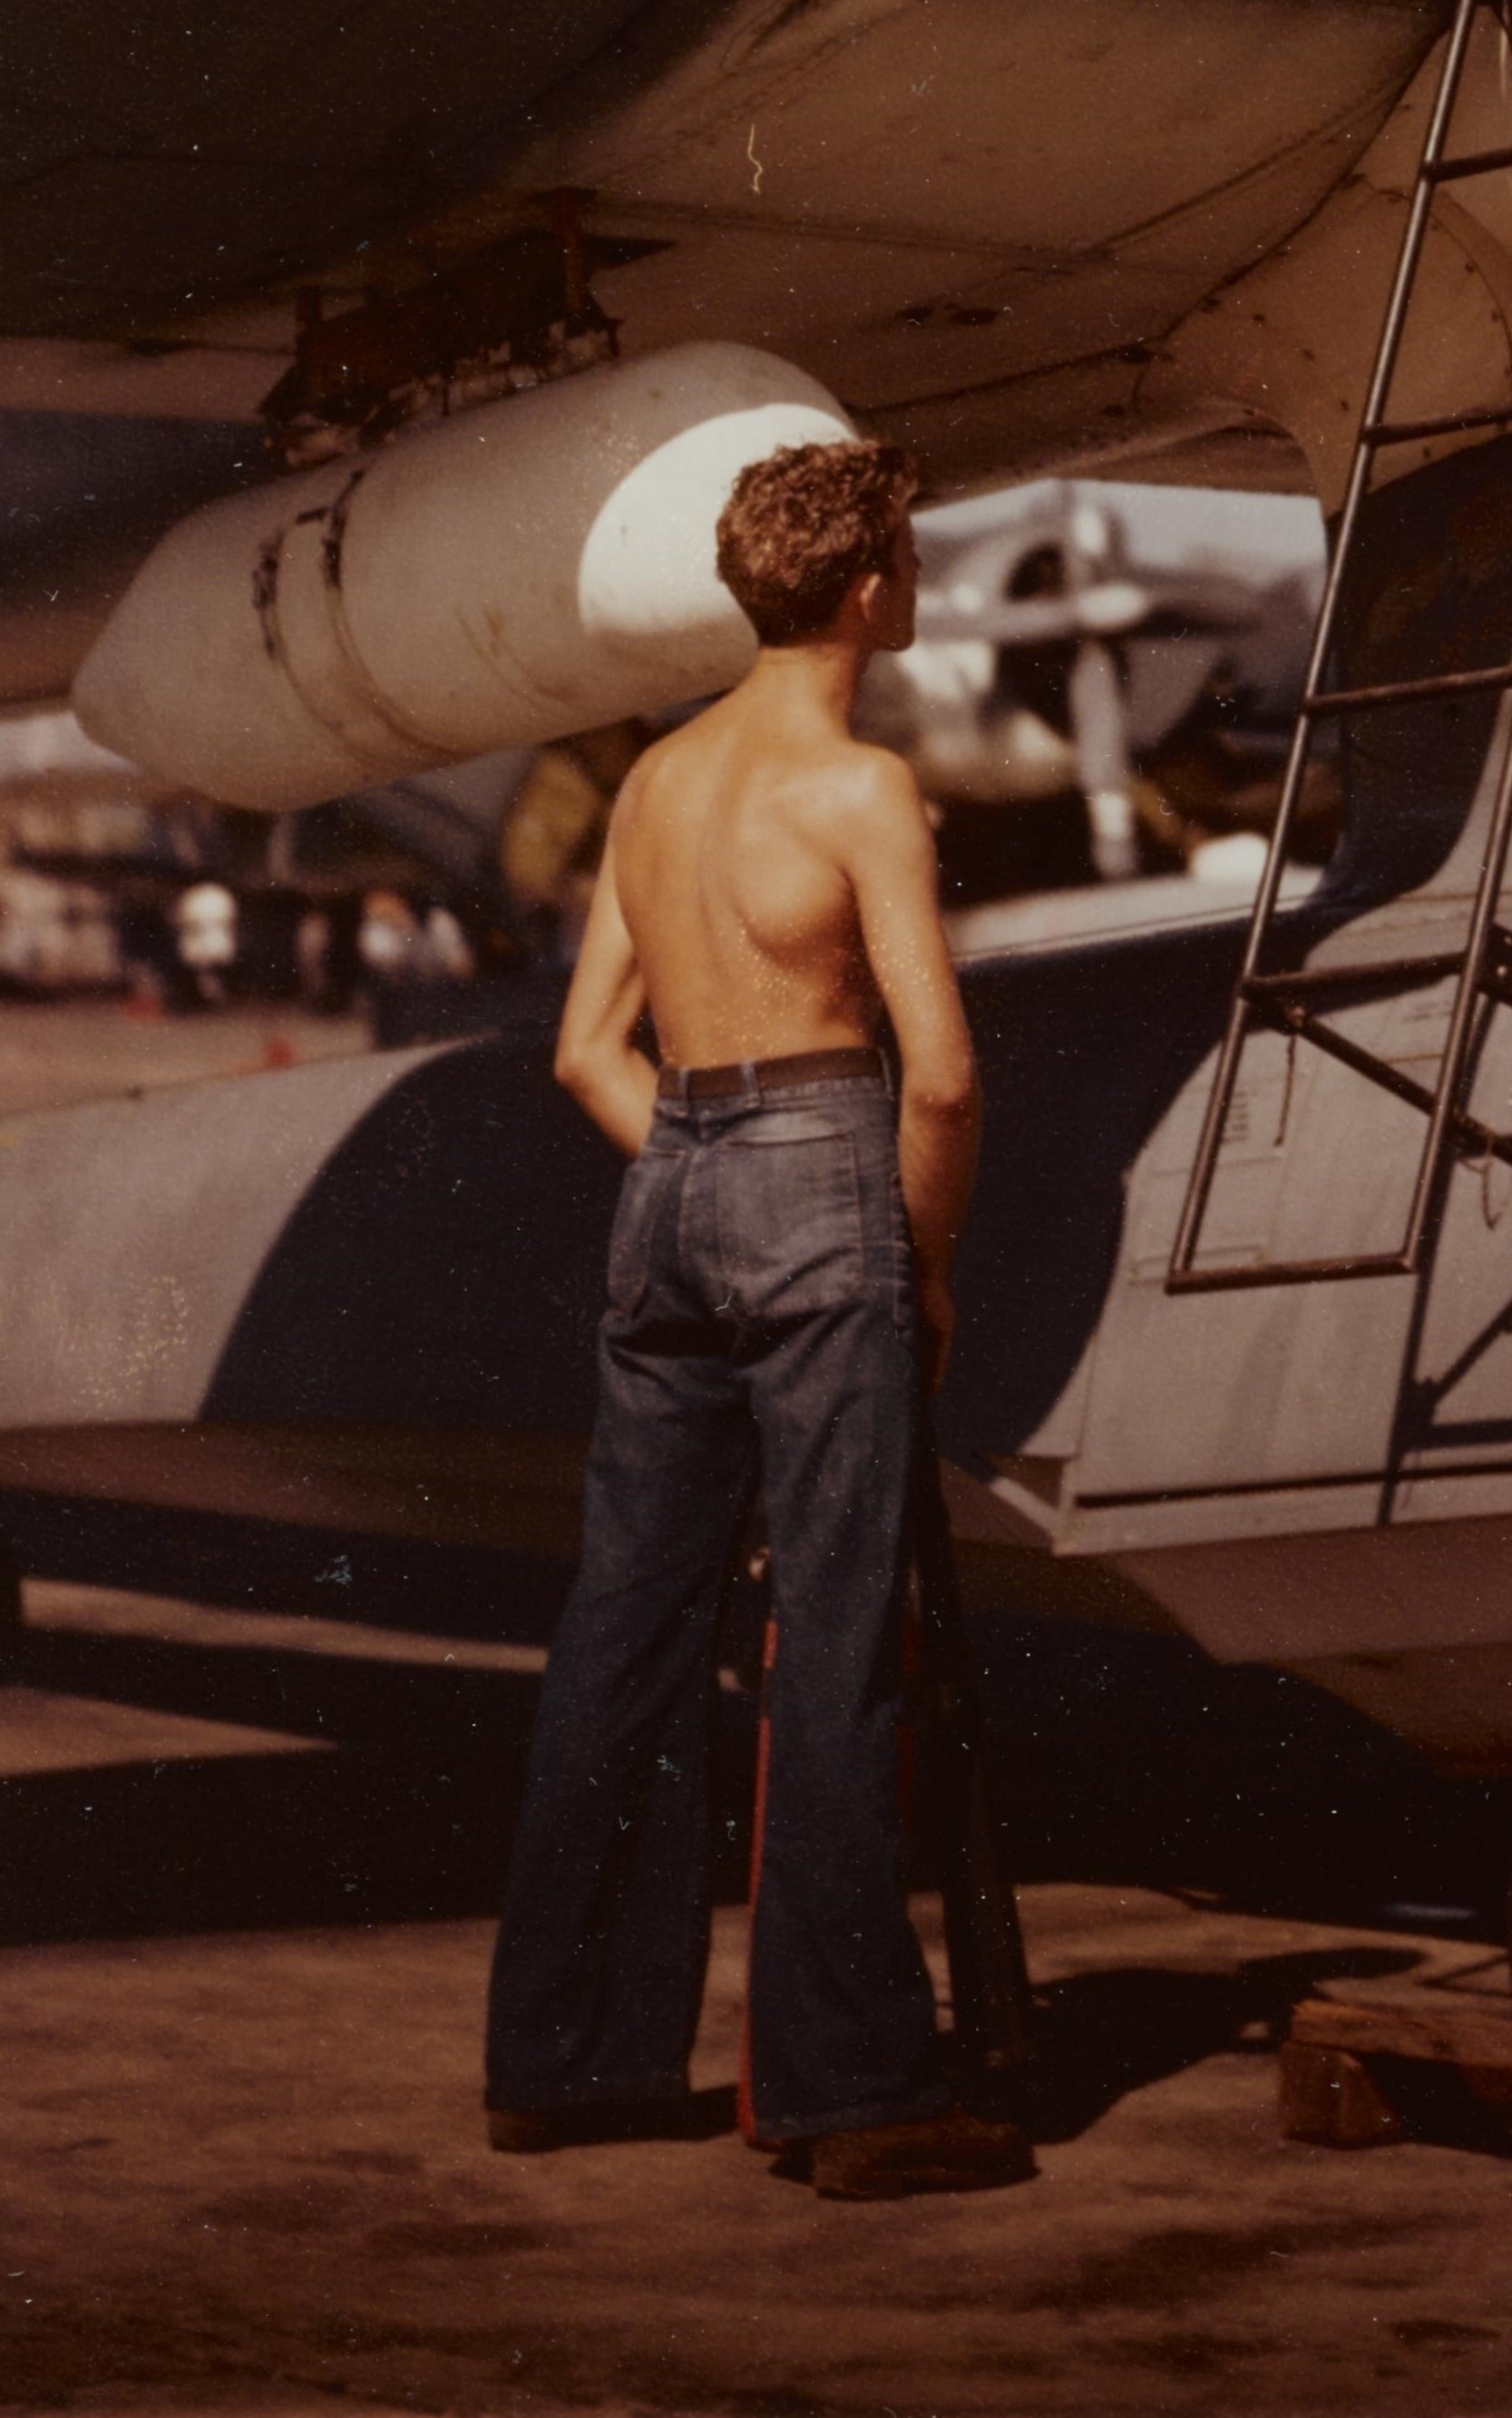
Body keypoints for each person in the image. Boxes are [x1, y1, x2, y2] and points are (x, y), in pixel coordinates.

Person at [483, 436, 1032, 2198]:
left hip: (675, 1184)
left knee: (620, 1632)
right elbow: (936, 1075)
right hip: (820, 1174)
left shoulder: (652, 784)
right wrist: (909, 1257)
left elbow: (587, 1050)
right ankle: (849, 2086)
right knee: (842, 1635)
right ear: (871, 588)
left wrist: (708, 1181)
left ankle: (560, 2058)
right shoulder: (860, 789)